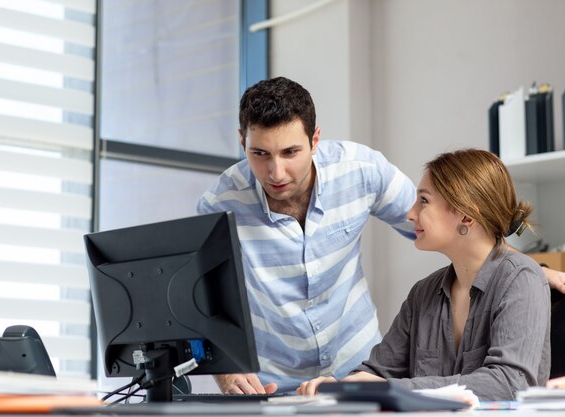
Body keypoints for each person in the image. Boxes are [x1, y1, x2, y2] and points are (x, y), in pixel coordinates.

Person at [196, 76, 565, 394]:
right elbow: (201, 305)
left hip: (353, 366)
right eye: (259, 153)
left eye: (290, 152)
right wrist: (227, 371)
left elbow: (458, 232)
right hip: (276, 381)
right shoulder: (218, 204)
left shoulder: (361, 171)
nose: (276, 171)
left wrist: (524, 269)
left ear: (315, 139)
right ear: (241, 141)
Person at [297, 149, 551, 400]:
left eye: (424, 201)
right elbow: (376, 373)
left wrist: (395, 387)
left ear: (466, 215)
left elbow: (509, 384)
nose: (410, 214)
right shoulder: (423, 294)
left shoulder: (521, 280)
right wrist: (339, 387)